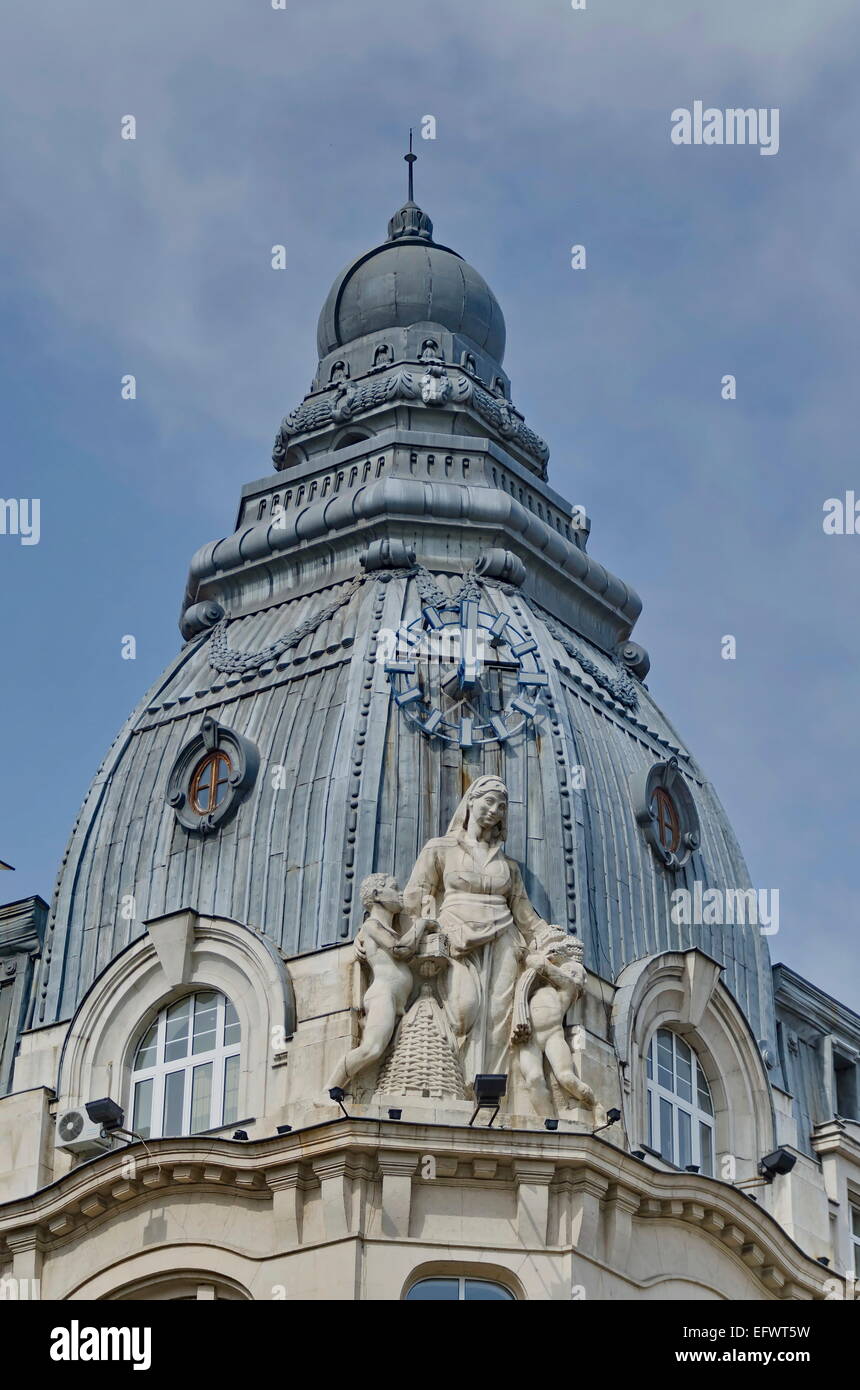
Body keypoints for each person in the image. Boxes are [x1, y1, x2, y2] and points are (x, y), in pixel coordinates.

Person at [402, 776, 552, 1075]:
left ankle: (488, 1085)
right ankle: (451, 1075)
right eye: (489, 801)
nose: (495, 810)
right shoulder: (441, 849)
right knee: (461, 1012)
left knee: (499, 1014)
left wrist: (552, 940)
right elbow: (414, 897)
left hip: (503, 939)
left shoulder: (507, 865)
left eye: (502, 806)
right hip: (454, 935)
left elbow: (525, 915)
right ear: (471, 801)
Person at [327, 873, 428, 1092]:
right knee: (371, 1048)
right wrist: (421, 925)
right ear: (377, 895)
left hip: (395, 998)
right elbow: (401, 950)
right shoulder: (372, 926)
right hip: (384, 994)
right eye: (393, 888)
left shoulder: (381, 928)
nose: (399, 893)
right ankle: (330, 1088)